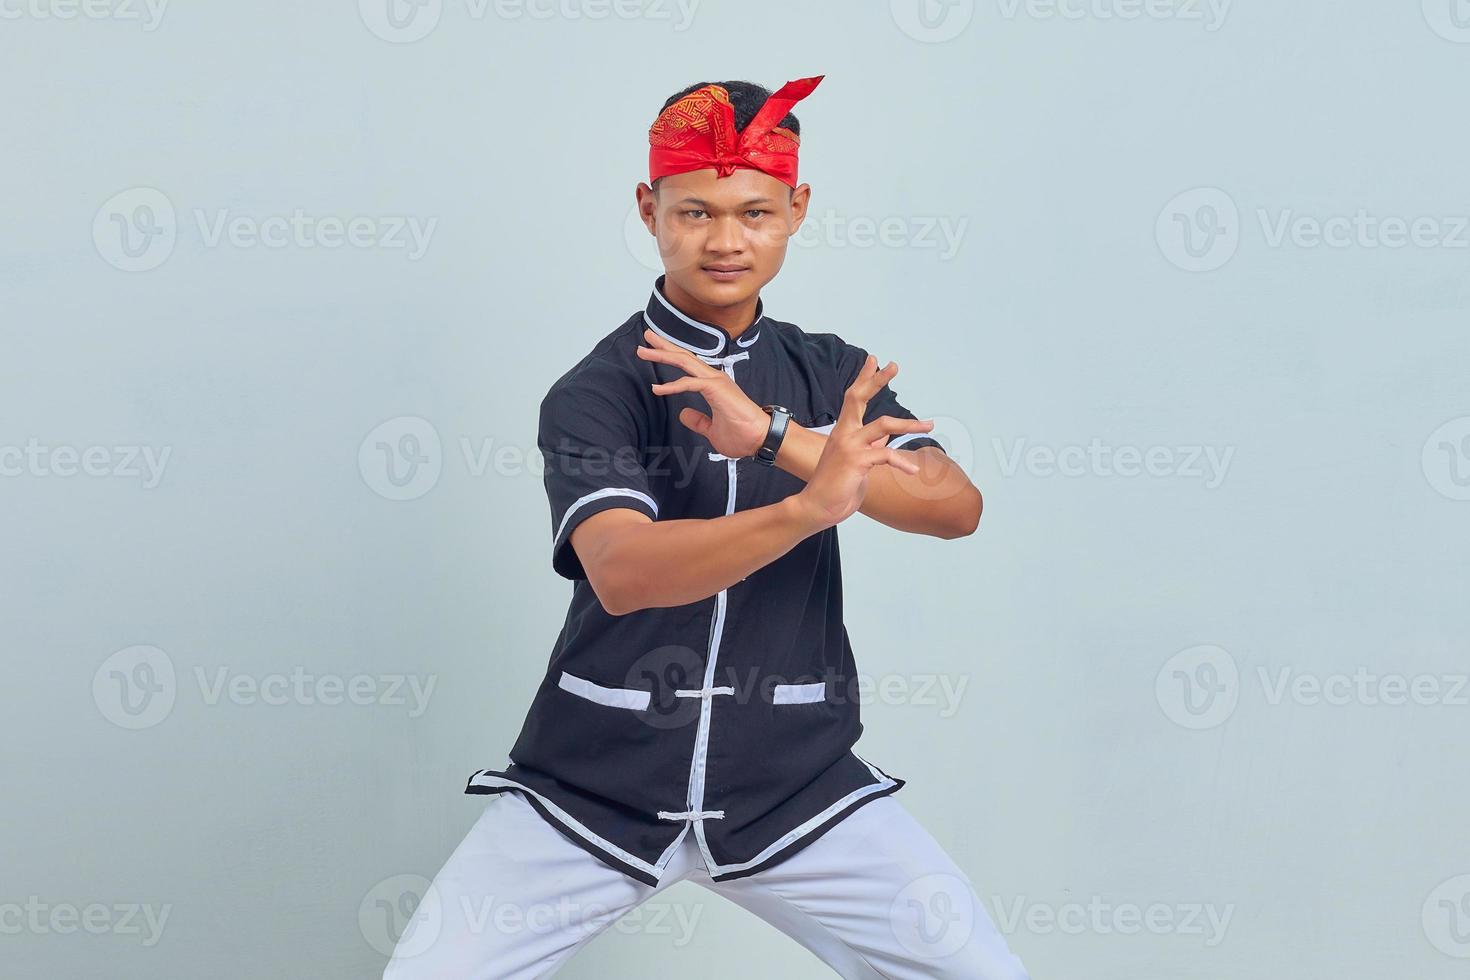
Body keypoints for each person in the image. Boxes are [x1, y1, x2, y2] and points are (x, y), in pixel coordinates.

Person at [383, 74, 1029, 980]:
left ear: (797, 209)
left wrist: (776, 437)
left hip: (792, 780)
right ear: (649, 209)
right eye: (696, 212)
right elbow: (624, 570)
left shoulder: (828, 373)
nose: (727, 240)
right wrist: (811, 502)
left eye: (755, 212)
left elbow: (953, 507)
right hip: (597, 782)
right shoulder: (597, 392)